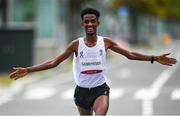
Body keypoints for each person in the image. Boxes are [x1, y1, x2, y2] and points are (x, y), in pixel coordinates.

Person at [10, 8, 177, 115]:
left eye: (93, 21)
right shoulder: (76, 45)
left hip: (100, 90)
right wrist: (28, 70)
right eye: (86, 21)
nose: (90, 24)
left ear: (98, 23)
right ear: (83, 24)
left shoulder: (105, 42)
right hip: (81, 93)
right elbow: (54, 62)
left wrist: (154, 58)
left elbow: (129, 54)